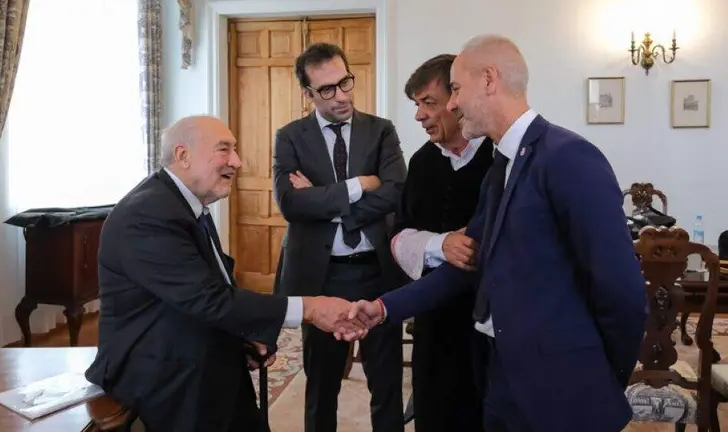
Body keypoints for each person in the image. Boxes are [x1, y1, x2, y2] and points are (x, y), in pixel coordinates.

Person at [343, 34, 648, 432]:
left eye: (454, 89)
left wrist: (604, 377)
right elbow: (465, 265)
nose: (451, 104)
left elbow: (621, 290)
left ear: (489, 79)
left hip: (558, 389)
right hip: (499, 377)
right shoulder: (500, 169)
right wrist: (383, 309)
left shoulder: (568, 157)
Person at [85, 115, 365, 432]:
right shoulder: (147, 215)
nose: (238, 161)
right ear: (182, 155)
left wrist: (242, 335)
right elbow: (210, 300)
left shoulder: (185, 204)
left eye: (234, 150)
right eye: (224, 149)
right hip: (163, 377)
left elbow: (209, 289)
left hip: (202, 357)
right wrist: (311, 308)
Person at [272, 42, 407, 432]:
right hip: (321, 278)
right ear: (308, 94)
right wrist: (359, 185)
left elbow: (395, 190)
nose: (342, 95)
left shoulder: (381, 130)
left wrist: (325, 202)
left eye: (345, 82)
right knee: (322, 387)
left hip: (377, 274)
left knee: (386, 385)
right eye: (327, 89)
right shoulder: (290, 137)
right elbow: (290, 205)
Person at [391, 53, 492, 432]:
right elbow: (400, 237)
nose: (420, 115)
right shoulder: (420, 164)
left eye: (428, 103)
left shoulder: (500, 157)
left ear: (456, 98)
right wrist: (441, 244)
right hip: (434, 322)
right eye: (417, 105)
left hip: (490, 323)